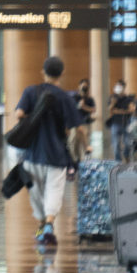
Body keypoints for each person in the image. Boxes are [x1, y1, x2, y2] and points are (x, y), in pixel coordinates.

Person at [9, 55, 78, 248]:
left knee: (36, 193)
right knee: (54, 190)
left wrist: (34, 119)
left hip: (32, 153)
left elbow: (19, 115)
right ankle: (48, 225)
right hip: (57, 154)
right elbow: (75, 127)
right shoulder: (64, 97)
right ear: (62, 73)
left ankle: (43, 227)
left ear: (43, 72)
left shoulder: (31, 91)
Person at [106, 78, 135, 162]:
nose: (117, 88)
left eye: (119, 86)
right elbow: (110, 109)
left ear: (123, 87)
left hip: (126, 123)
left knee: (128, 143)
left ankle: (126, 155)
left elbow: (132, 109)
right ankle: (117, 161)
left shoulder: (128, 98)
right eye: (117, 86)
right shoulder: (112, 97)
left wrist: (119, 111)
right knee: (116, 144)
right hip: (115, 123)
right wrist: (114, 103)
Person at [70, 78, 96, 159]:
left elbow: (93, 110)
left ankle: (82, 161)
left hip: (85, 123)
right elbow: (71, 108)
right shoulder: (74, 97)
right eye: (83, 86)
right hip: (74, 123)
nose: (84, 88)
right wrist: (79, 105)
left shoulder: (90, 99)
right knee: (74, 142)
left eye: (86, 87)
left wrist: (84, 107)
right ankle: (75, 160)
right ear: (79, 86)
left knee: (84, 143)